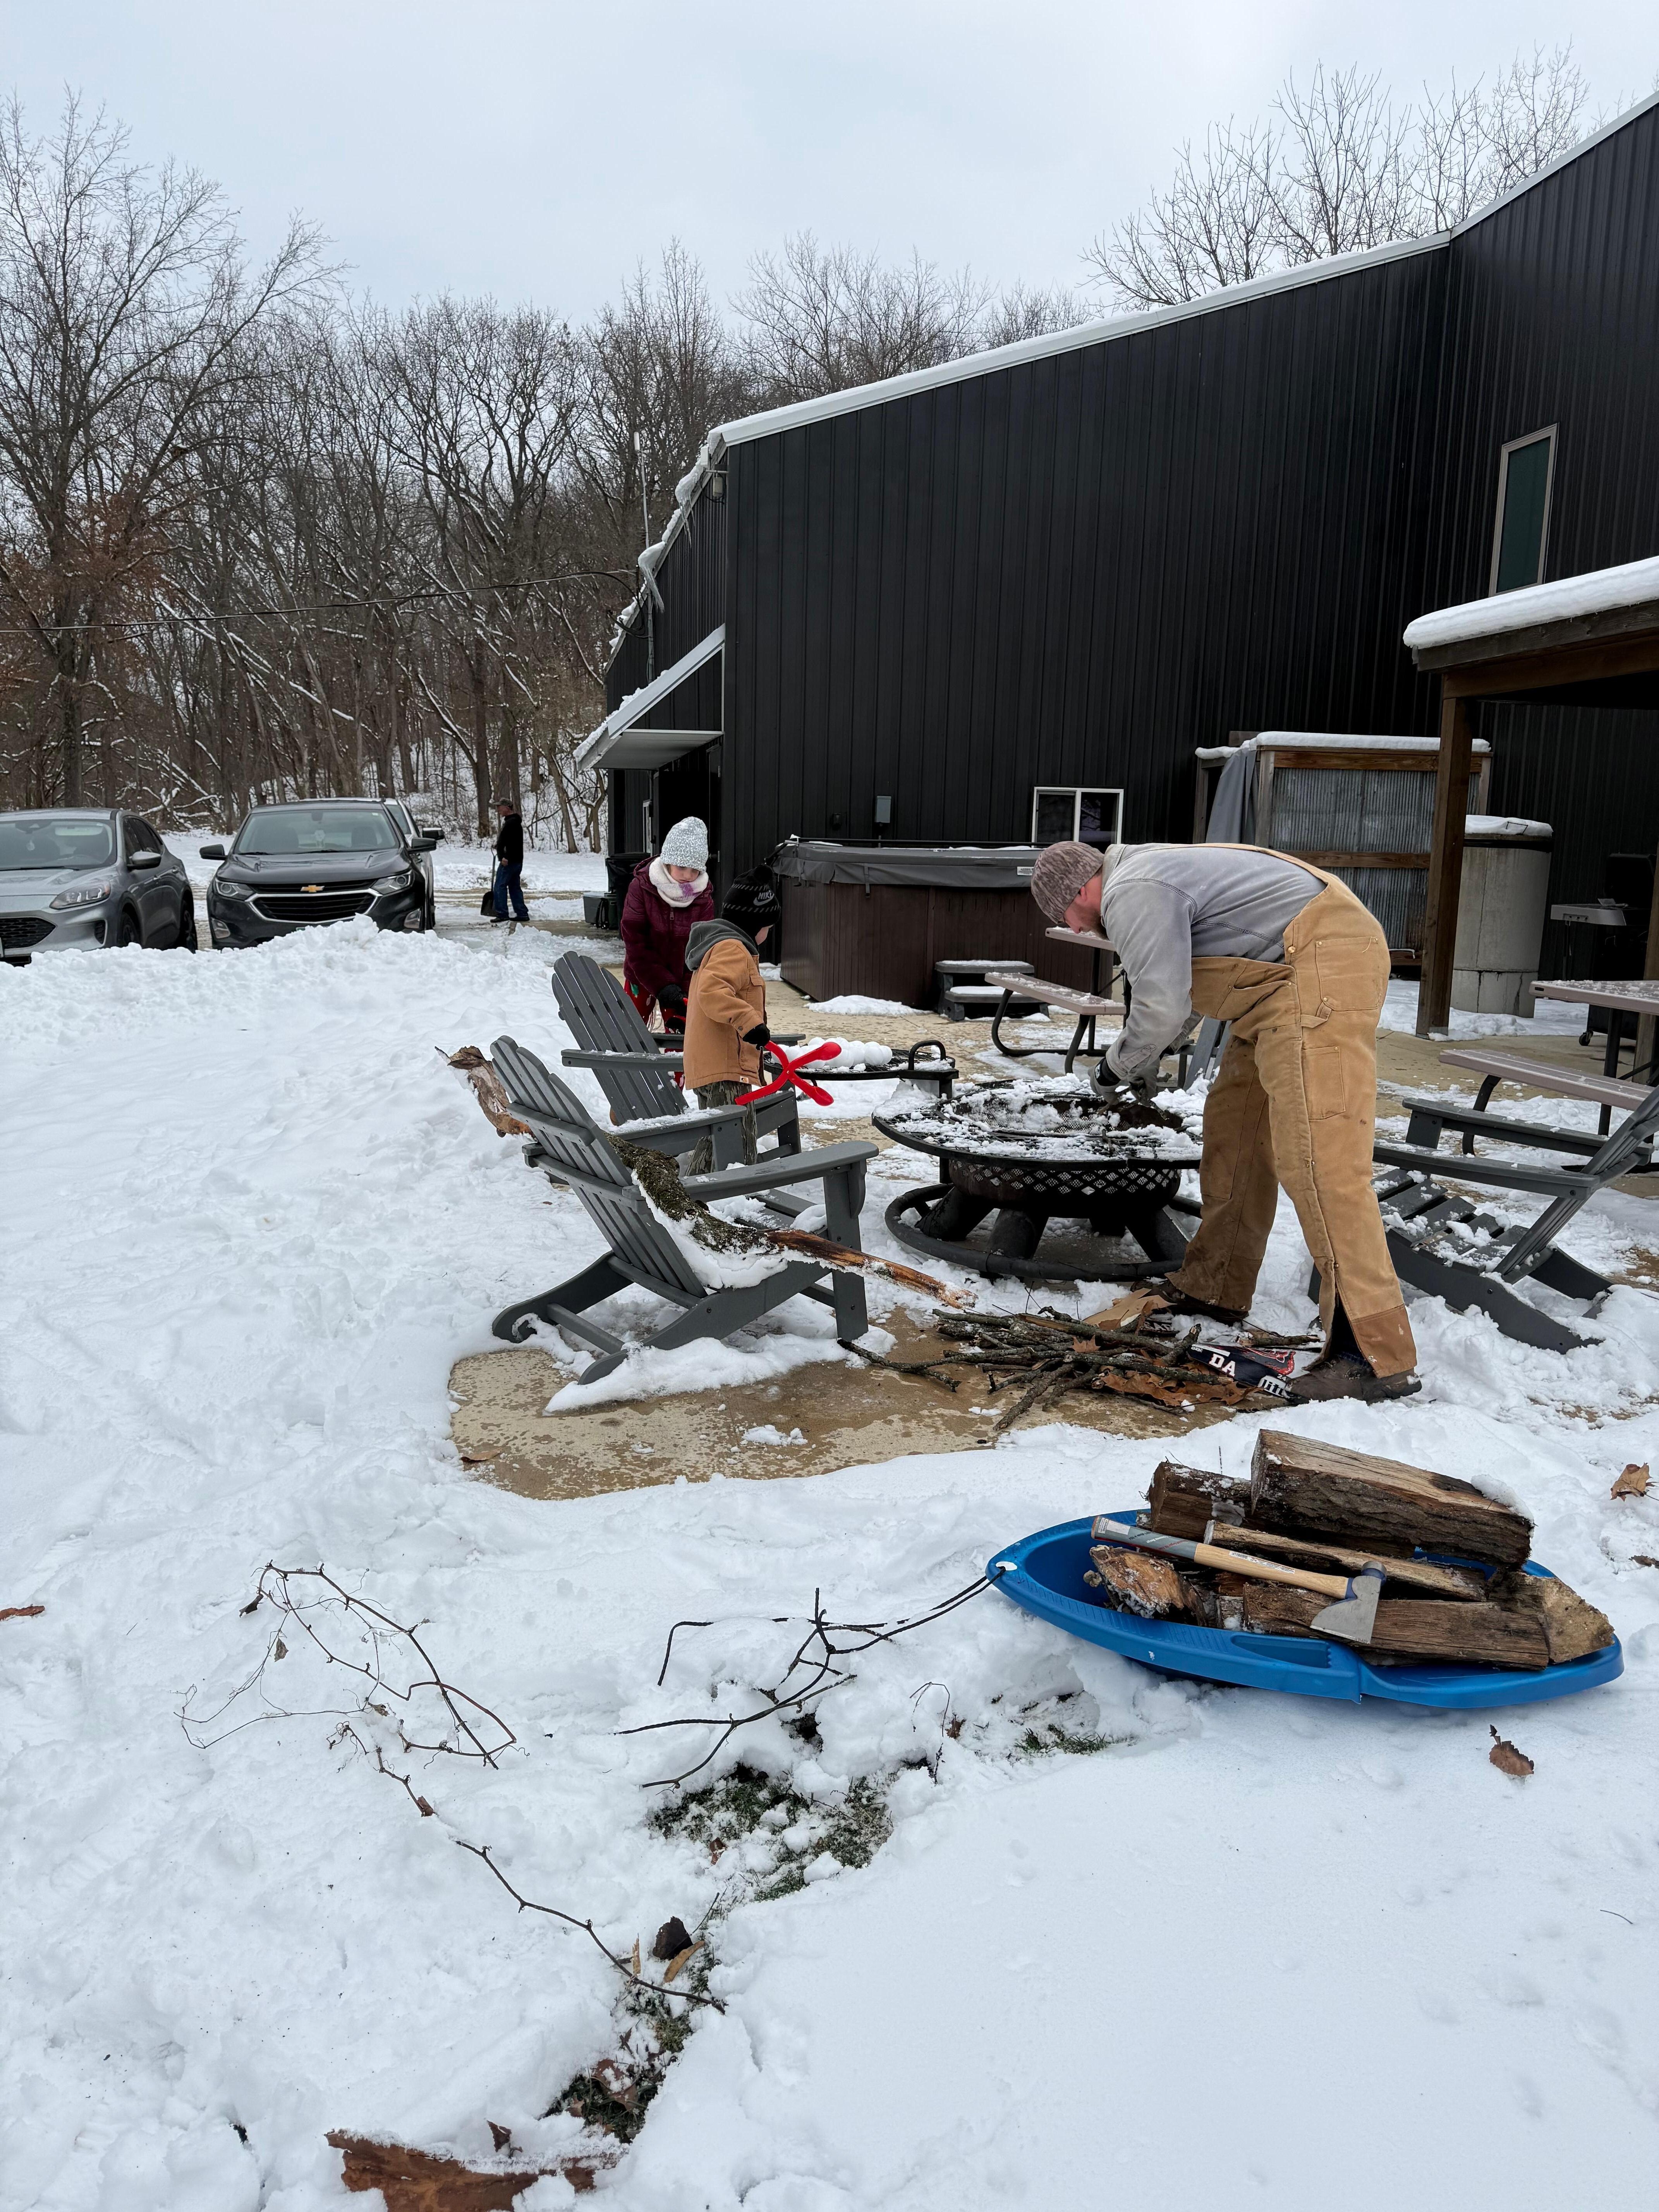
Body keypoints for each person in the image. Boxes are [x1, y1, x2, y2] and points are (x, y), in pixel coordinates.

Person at [1029, 838, 1419, 1405]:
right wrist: (1150, 1050)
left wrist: (1113, 1070)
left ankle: (1374, 1353)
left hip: (1315, 969)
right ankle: (1216, 1286)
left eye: (1066, 918)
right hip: (1270, 987)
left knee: (1317, 1159)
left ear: (1078, 891)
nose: (1079, 931)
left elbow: (1160, 1009)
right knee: (1234, 1132)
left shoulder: (1131, 889)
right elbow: (1181, 994)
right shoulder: (1145, 878)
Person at [681, 864, 783, 1175]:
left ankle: (694, 1200)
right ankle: (720, 1202)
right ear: (754, 924)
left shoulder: (724, 946)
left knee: (715, 1141)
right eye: (768, 925)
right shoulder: (733, 950)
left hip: (716, 1064)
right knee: (736, 1146)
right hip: (725, 1068)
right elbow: (712, 992)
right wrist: (749, 1022)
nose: (768, 933)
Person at [619, 816, 715, 1031]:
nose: (689, 876)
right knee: (630, 1033)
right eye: (682, 867)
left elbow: (702, 950)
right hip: (642, 973)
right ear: (668, 861)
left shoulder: (703, 897)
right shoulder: (642, 887)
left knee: (684, 1040)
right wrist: (662, 985)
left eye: (695, 870)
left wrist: (684, 989)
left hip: (683, 983)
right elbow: (635, 941)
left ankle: (680, 1066)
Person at [491, 797, 529, 923]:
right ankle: (522, 913)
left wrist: (504, 857)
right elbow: (510, 841)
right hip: (517, 860)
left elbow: (512, 844)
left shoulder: (511, 823)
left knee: (500, 887)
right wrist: (499, 846)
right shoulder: (514, 822)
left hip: (509, 861)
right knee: (514, 887)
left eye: (500, 807)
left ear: (507, 808)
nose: (498, 810)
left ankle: (502, 914)